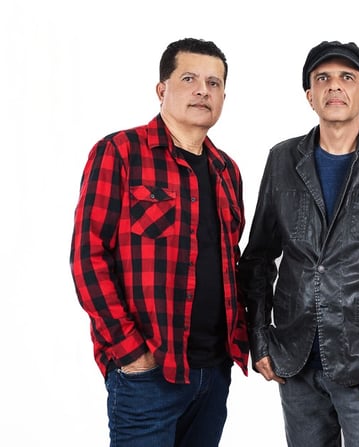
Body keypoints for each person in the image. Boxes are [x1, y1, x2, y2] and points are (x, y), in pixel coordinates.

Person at [236, 40, 359, 447]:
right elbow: (258, 259)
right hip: (295, 359)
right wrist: (259, 339)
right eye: (323, 79)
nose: (335, 87)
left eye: (347, 78)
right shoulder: (281, 159)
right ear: (309, 95)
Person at [69, 37, 249, 446]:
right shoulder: (120, 152)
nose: (203, 90)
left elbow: (230, 261)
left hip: (213, 373)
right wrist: (130, 351)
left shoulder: (227, 170)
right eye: (189, 78)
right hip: (149, 374)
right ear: (162, 89)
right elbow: (87, 257)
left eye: (214, 83)